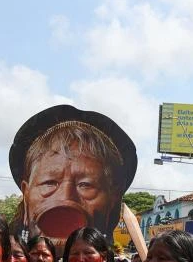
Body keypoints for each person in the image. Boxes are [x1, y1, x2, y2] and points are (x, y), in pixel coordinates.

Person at [10, 105, 137, 248]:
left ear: (113, 198)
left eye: (86, 185)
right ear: (26, 195)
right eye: (50, 183)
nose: (65, 198)